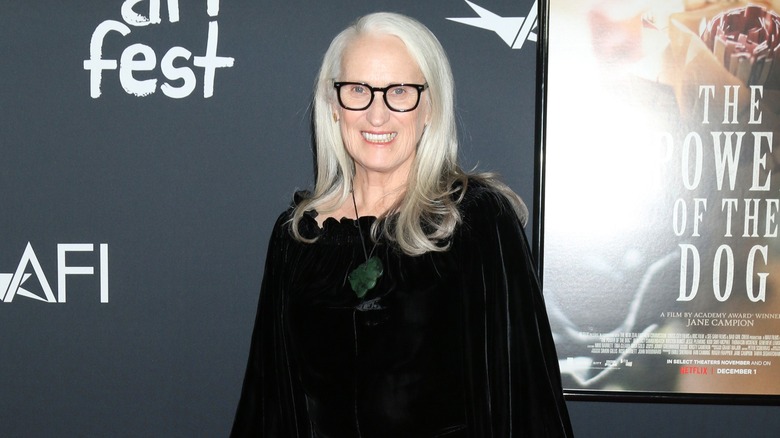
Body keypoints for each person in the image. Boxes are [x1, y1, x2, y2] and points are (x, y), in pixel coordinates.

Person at [231, 12, 573, 437]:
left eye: (399, 92)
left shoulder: (475, 222)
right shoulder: (298, 236)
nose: (378, 115)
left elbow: (523, 397)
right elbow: (269, 405)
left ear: (429, 106)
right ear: (334, 105)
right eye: (358, 90)